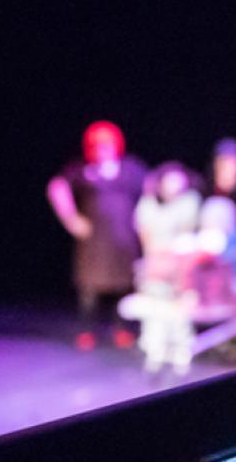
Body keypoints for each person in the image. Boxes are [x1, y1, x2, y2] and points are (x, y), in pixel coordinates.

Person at [48, 121, 147, 351]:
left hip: (123, 238)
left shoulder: (130, 168)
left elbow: (150, 187)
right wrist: (71, 219)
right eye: (97, 145)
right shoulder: (82, 169)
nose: (102, 149)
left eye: (107, 145)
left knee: (124, 285)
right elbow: (57, 186)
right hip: (94, 241)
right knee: (89, 286)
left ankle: (121, 329)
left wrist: (143, 220)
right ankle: (86, 330)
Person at [122, 162, 203, 374]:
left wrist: (173, 257)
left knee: (179, 311)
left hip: (180, 266)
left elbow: (186, 235)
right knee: (154, 310)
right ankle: (155, 352)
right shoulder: (148, 205)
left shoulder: (189, 203)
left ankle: (180, 353)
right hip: (155, 267)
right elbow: (146, 237)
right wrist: (153, 262)